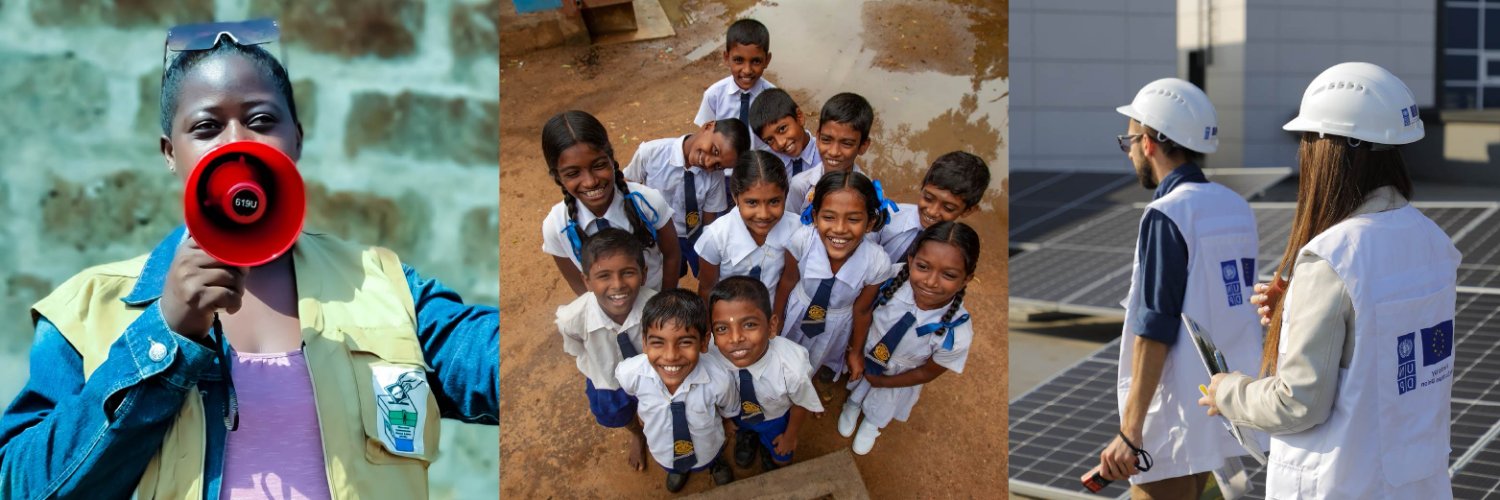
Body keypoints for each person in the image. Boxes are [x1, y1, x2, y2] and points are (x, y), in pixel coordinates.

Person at [0, 22, 498, 499]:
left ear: (297, 138)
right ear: (170, 153)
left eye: (261, 121)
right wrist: (165, 333)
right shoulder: (87, 309)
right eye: (207, 126)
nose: (238, 141)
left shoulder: (383, 286)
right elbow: (18, 484)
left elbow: (487, 357)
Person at [1200, 62, 1459, 498]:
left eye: (1306, 139)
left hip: (1342, 486)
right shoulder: (1432, 241)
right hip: (1417, 483)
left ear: (1330, 148)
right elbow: (1380, 350)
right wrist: (1296, 313)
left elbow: (1297, 403)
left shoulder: (1334, 256)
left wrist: (1228, 391)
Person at [1095, 78, 1262, 498]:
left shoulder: (1168, 213)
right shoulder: (1235, 206)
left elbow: (1155, 327)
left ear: (1149, 142)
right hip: (1223, 401)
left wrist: (1131, 432)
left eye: (1129, 140)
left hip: (1173, 413)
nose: (1129, 151)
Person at [840, 221, 978, 455]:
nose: (931, 282)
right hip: (868, 353)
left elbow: (927, 373)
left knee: (883, 403)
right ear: (911, 260)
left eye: (948, 274)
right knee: (859, 383)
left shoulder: (957, 333)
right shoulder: (891, 279)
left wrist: (884, 383)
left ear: (966, 278)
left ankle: (872, 423)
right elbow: (863, 311)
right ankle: (852, 403)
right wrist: (856, 351)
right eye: (923, 267)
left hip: (899, 377)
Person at [540, 110, 680, 295]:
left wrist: (665, 303)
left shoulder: (647, 202)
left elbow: (672, 255)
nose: (590, 182)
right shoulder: (556, 227)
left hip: (655, 299)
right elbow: (578, 284)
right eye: (573, 173)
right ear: (558, 177)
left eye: (598, 165)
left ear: (611, 159)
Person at [776, 171, 894, 383]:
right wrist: (776, 318)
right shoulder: (802, 240)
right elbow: (787, 280)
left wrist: (855, 351)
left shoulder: (877, 263)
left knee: (814, 363)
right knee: (782, 357)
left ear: (870, 223)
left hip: (836, 326)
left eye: (854, 219)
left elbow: (862, 309)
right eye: (829, 217)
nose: (839, 229)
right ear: (815, 217)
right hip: (797, 311)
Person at [615, 289, 737, 493]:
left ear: (704, 342)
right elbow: (632, 393)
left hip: (708, 445)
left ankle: (715, 463)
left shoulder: (719, 379)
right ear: (644, 342)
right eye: (657, 342)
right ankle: (678, 468)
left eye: (685, 342)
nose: (671, 356)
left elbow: (727, 407)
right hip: (663, 450)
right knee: (673, 463)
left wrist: (727, 421)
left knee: (712, 454)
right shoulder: (630, 373)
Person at [555, 229, 656, 471]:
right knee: (620, 414)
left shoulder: (655, 307)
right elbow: (577, 348)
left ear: (643, 274)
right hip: (607, 381)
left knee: (656, 406)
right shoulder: (571, 319)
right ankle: (637, 434)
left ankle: (657, 431)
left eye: (628, 273)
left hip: (651, 375)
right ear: (587, 281)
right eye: (604, 276)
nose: (618, 285)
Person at [707, 277, 821, 471]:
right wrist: (726, 420)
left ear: (771, 326)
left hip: (775, 419)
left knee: (781, 460)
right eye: (722, 328)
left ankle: (770, 449)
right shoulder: (711, 354)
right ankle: (747, 435)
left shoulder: (792, 367)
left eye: (749, 324)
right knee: (743, 426)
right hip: (738, 415)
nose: (735, 338)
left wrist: (790, 436)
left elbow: (801, 402)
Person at [624, 119, 751, 279]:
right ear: (708, 126)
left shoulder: (715, 177)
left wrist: (707, 252)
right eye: (715, 150)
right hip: (656, 235)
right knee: (663, 277)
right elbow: (627, 189)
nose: (709, 163)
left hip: (693, 236)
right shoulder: (651, 153)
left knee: (707, 276)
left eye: (719, 165)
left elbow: (709, 220)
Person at [694, 151, 800, 302]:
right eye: (752, 202)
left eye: (774, 201)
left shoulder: (796, 230)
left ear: (786, 195)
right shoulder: (715, 238)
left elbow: (789, 280)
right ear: (735, 197)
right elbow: (707, 289)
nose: (763, 214)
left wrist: (777, 314)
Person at [872, 151, 991, 264]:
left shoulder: (954, 249)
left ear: (968, 211)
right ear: (921, 188)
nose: (932, 211)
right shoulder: (889, 218)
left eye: (948, 208)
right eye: (928, 198)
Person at [784, 93, 876, 216]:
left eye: (847, 143)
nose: (833, 152)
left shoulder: (869, 192)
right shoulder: (800, 185)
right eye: (826, 140)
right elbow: (790, 222)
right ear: (818, 138)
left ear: (863, 146)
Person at [748, 88, 821, 179]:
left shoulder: (826, 157)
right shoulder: (766, 165)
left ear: (799, 117)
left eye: (782, 129)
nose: (780, 143)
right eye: (769, 140)